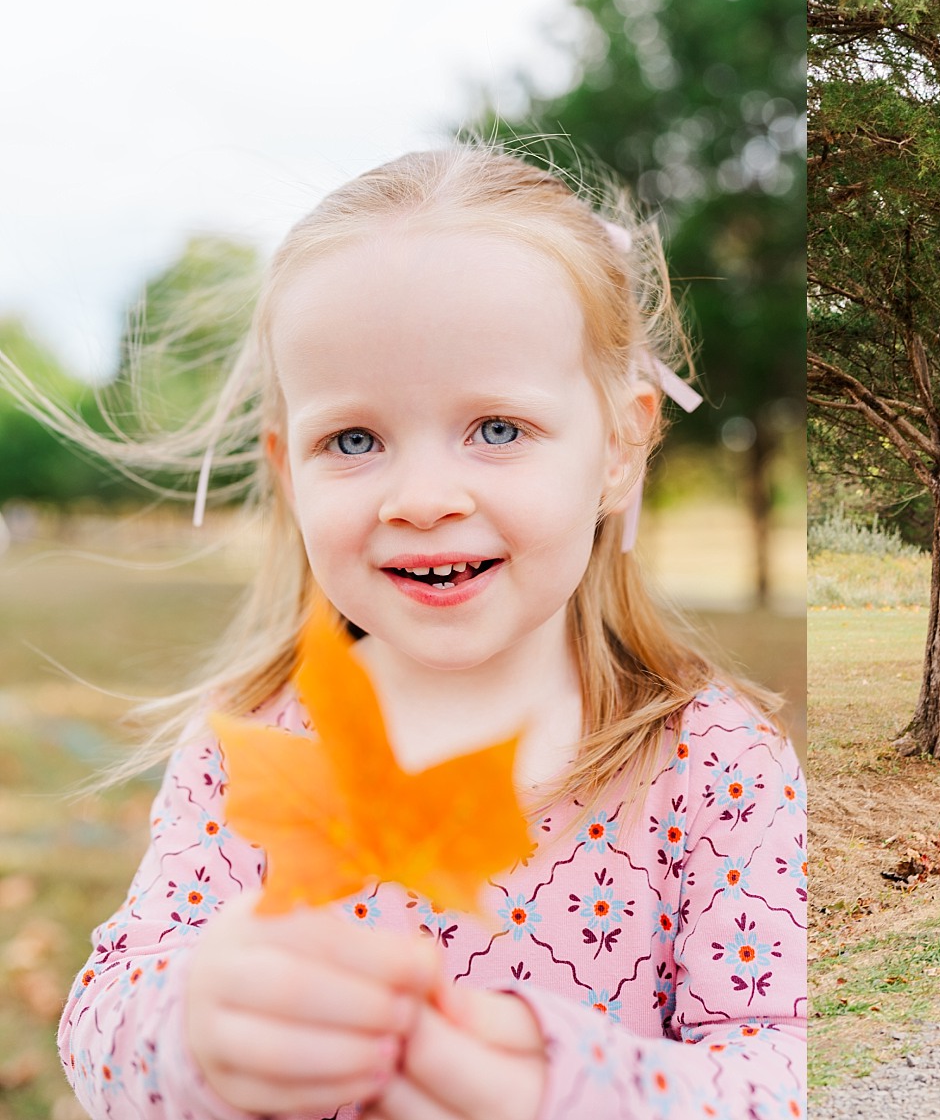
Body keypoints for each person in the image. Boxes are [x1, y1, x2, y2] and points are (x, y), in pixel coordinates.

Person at [43, 149, 804, 1117]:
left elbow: (788, 1064)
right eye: (353, 441)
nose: (424, 499)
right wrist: (193, 1028)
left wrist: (563, 1084)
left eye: (496, 428)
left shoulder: (714, 765)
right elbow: (105, 1015)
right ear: (288, 468)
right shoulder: (255, 748)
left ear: (618, 445)